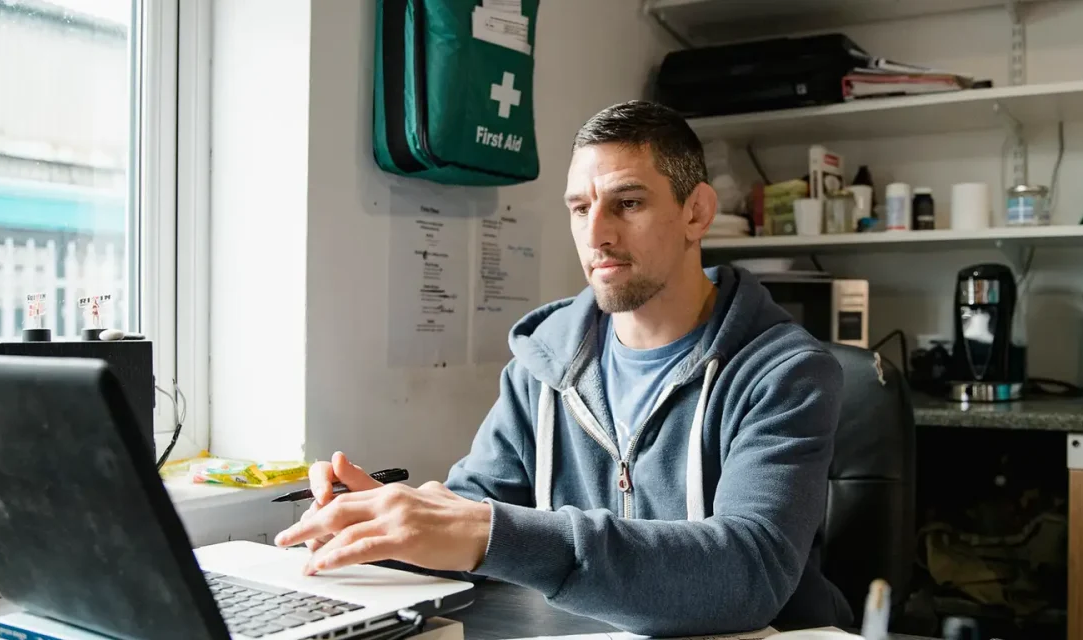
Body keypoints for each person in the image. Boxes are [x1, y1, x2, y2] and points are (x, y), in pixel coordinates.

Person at [274, 100, 852, 635]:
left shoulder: (785, 372)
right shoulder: (542, 365)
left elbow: (749, 573)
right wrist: (372, 522)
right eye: (580, 208)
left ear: (695, 212)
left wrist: (487, 532)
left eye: (628, 203)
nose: (596, 234)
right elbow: (466, 518)